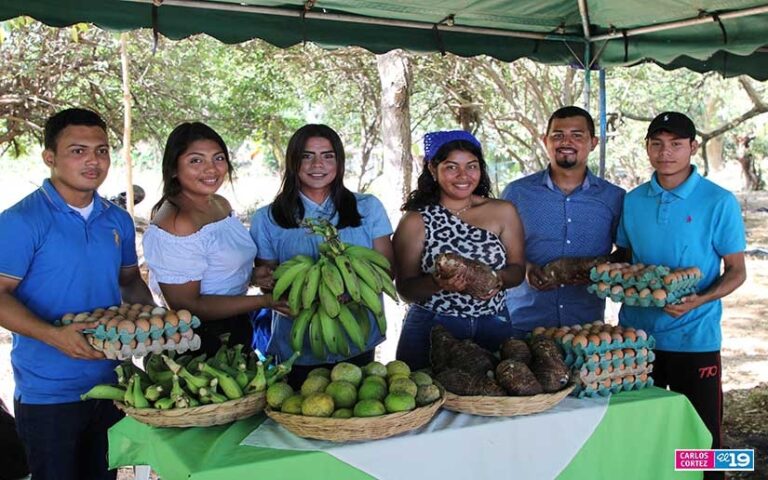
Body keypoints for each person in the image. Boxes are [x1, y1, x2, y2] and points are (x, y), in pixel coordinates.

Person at [0, 108, 154, 480]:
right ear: (49, 157)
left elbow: (129, 280)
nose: (93, 161)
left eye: (101, 150)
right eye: (78, 150)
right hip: (49, 392)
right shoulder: (22, 221)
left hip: (111, 381)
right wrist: (55, 336)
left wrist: (154, 321)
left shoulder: (116, 219)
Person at [617, 112, 746, 474]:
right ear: (646, 148)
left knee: (702, 437)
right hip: (638, 340)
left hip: (696, 339)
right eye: (657, 143)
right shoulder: (633, 200)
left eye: (676, 144)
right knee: (645, 432)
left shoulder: (718, 201)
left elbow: (737, 271)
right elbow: (626, 258)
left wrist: (700, 300)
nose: (666, 152)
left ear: (693, 147)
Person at [250, 124, 394, 383]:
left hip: (357, 336)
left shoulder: (368, 208)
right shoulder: (267, 218)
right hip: (297, 342)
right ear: (293, 162)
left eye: (328, 156)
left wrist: (350, 290)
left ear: (339, 162)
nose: (318, 164)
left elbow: (386, 269)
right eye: (307, 156)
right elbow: (270, 282)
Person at [393, 130, 526, 369]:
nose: (463, 175)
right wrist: (437, 284)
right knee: (428, 398)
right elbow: (405, 289)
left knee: (495, 397)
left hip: (493, 323)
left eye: (472, 166)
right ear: (433, 169)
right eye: (451, 167)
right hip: (432, 325)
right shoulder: (415, 220)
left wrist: (498, 279)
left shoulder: (503, 211)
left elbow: (517, 269)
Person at [143, 122, 277, 356]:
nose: (211, 169)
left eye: (218, 158)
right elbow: (187, 306)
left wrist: (252, 276)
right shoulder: (178, 222)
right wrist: (265, 302)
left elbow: (216, 271)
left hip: (235, 325)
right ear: (174, 169)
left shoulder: (219, 203)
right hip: (198, 340)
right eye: (196, 160)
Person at [501, 106, 625, 337]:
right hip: (523, 324)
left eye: (577, 135)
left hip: (586, 329)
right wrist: (526, 269)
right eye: (558, 135)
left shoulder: (614, 197)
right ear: (545, 140)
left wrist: (591, 268)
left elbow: (626, 253)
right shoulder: (517, 193)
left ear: (593, 142)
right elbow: (498, 249)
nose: (566, 142)